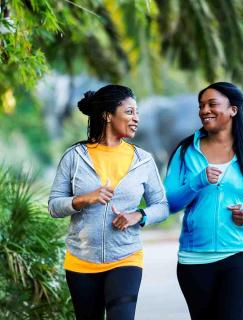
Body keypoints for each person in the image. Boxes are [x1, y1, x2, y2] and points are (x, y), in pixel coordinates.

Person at [48, 84, 169, 320]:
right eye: (129, 112)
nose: (136, 119)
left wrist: (139, 216)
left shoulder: (143, 160)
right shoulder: (74, 157)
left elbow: (162, 206)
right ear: (107, 115)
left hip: (126, 257)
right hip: (81, 261)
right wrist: (84, 199)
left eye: (137, 113)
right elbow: (54, 206)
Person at [165, 82, 243, 320]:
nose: (204, 110)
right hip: (194, 259)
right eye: (201, 105)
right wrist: (196, 181)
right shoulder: (185, 151)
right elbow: (170, 202)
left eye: (212, 104)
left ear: (233, 110)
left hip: (242, 255)